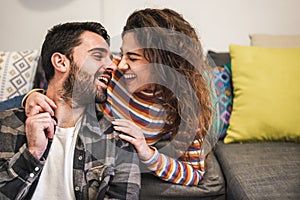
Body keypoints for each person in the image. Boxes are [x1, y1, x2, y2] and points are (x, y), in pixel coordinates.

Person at [20, 8, 221, 186]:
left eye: (132, 58)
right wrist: (32, 96)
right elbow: (65, 87)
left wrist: (147, 153)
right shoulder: (113, 74)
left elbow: (194, 174)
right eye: (123, 54)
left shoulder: (183, 107)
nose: (120, 64)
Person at [0, 22, 140, 200]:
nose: (113, 66)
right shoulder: (5, 126)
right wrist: (32, 153)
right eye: (98, 56)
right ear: (60, 62)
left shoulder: (118, 140)